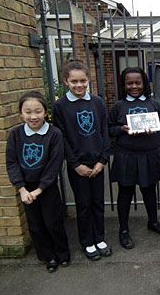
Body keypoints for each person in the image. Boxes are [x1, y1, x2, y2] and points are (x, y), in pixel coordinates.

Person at [53, 61, 112, 261]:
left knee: (97, 202)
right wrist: (76, 164)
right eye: (74, 81)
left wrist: (102, 160)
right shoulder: (60, 106)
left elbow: (104, 132)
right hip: (78, 166)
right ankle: (87, 241)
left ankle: (99, 237)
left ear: (88, 80)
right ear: (65, 81)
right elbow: (63, 137)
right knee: (83, 204)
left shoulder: (97, 102)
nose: (79, 85)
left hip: (97, 163)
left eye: (83, 81)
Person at [108, 67, 160, 250]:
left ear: (144, 83)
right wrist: (121, 129)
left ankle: (153, 222)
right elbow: (109, 129)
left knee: (149, 191)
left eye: (138, 82)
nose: (134, 86)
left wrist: (156, 126)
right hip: (126, 156)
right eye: (129, 83)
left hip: (149, 155)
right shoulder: (118, 106)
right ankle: (124, 230)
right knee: (125, 193)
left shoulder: (154, 104)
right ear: (124, 85)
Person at [6, 91, 70, 273]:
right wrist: (22, 189)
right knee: (35, 225)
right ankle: (48, 256)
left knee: (53, 222)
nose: (33, 116)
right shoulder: (16, 134)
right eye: (28, 112)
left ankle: (63, 253)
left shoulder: (54, 134)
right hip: (26, 189)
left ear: (46, 112)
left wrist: (40, 188)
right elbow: (12, 162)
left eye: (38, 111)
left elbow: (54, 163)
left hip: (47, 187)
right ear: (21, 113)